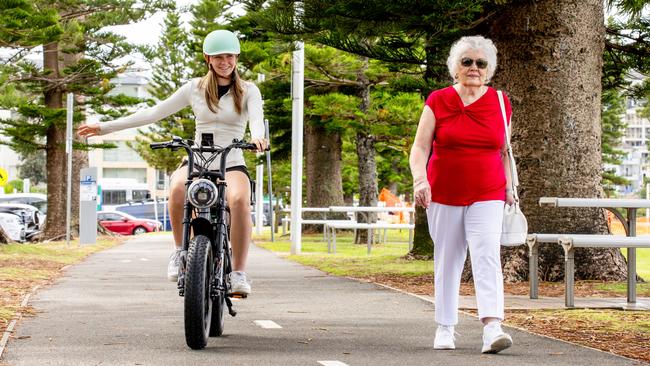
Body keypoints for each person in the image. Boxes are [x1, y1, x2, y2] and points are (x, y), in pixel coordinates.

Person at [78, 30, 268, 296]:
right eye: (218, 57)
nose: (224, 61)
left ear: (236, 57)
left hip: (231, 160)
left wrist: (258, 137)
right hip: (198, 159)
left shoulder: (249, 91)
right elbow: (154, 112)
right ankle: (180, 252)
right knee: (177, 188)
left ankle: (238, 272)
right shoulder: (194, 88)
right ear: (208, 59)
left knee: (238, 201)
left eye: (229, 56)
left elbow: (257, 120)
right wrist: (104, 127)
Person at [409, 35, 514, 354]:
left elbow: (505, 149)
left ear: (489, 69)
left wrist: (510, 186)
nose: (474, 68)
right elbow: (420, 147)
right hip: (443, 191)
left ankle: (492, 326)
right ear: (455, 67)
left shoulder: (500, 101)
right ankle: (445, 326)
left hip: (489, 190)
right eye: (467, 62)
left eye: (481, 63)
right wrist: (419, 180)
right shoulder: (438, 100)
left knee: (486, 255)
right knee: (448, 259)